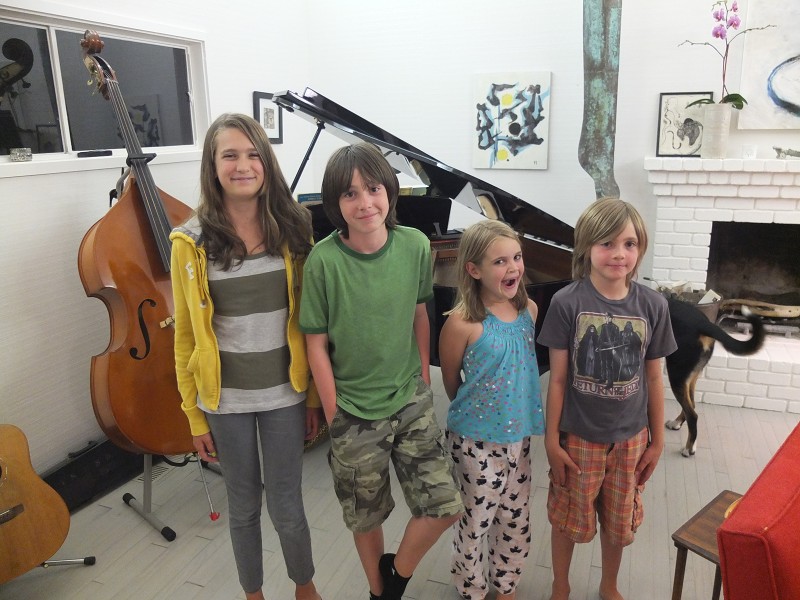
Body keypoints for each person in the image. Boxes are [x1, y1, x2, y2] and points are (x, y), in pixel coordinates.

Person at [299, 142, 464, 600]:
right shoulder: (323, 261)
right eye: (350, 193)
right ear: (335, 203)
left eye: (373, 188)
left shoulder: (414, 245)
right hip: (352, 411)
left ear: (390, 190)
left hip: (409, 399)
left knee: (445, 505)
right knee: (365, 517)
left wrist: (423, 377)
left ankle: (395, 577)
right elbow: (315, 344)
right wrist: (333, 411)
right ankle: (378, 594)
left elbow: (420, 313)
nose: (365, 203)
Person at [170, 113, 323, 600]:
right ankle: (252, 593)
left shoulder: (294, 227)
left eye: (254, 154)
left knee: (287, 503)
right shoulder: (189, 243)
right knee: (242, 506)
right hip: (225, 399)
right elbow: (185, 337)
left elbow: (312, 321)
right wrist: (193, 415)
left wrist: (313, 396)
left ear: (267, 161)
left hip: (285, 393)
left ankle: (305, 587)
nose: (243, 165)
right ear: (212, 166)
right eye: (230, 155)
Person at [537, 198, 677, 600]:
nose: (619, 254)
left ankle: (609, 584)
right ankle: (560, 585)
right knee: (568, 517)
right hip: (579, 437)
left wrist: (658, 441)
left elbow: (654, 377)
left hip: (631, 439)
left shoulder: (653, 305)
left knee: (619, 521)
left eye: (629, 244)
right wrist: (551, 441)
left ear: (640, 248)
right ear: (586, 247)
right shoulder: (567, 303)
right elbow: (558, 380)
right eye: (607, 243)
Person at [438, 220, 544, 600]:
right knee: (474, 522)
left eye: (516, 257)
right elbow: (451, 380)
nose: (513, 267)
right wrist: (478, 413)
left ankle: (506, 585)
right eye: (500, 261)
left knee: (515, 520)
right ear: (474, 269)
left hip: (518, 438)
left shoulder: (529, 310)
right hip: (474, 443)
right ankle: (472, 589)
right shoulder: (461, 323)